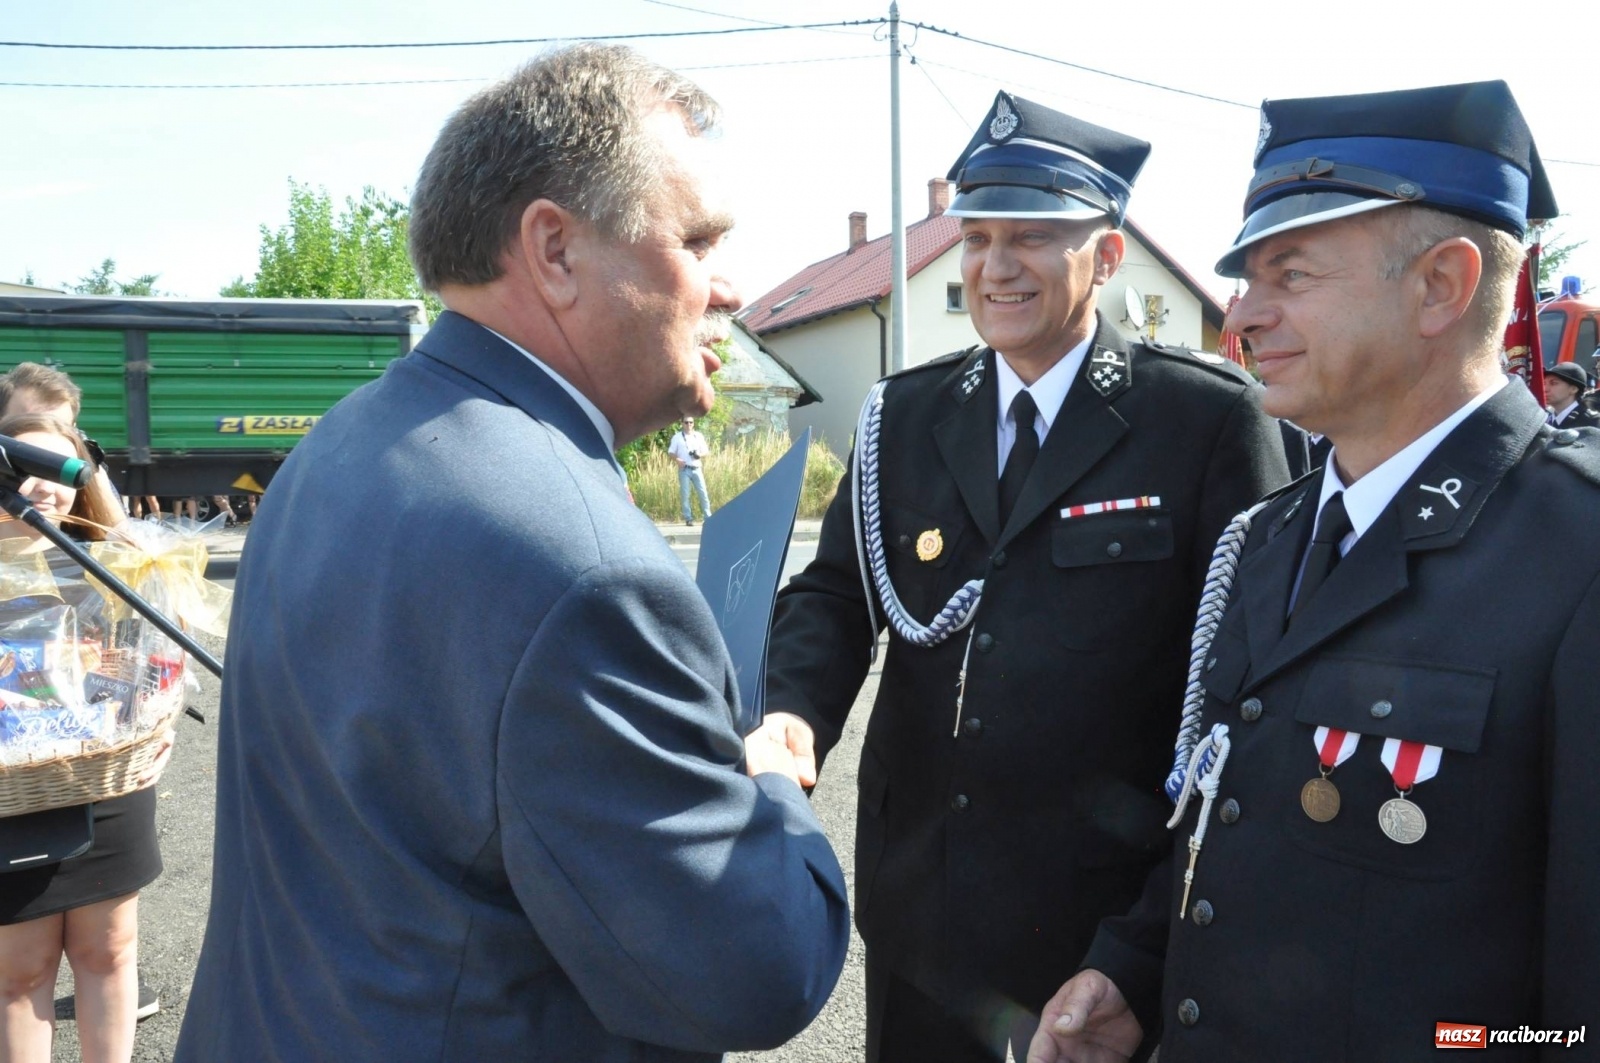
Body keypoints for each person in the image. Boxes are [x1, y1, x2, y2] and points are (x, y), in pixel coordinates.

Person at [174, 44, 848, 1063]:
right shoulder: (580, 570)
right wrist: (766, 787)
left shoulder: (341, 443)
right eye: (698, 238)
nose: (728, 283)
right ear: (555, 249)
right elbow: (753, 972)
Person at [1031, 81, 1598, 1063]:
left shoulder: (1577, 550)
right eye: (1246, 277)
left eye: (1288, 274)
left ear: (1440, 285)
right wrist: (1133, 970)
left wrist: (1447, 1042)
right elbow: (1225, 809)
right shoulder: (1269, 535)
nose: (1242, 315)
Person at [757, 92, 1291, 1063]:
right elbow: (836, 596)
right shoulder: (905, 417)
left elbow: (1244, 694)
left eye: (1033, 239)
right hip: (921, 906)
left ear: (1108, 254)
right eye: (978, 237)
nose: (995, 267)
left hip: (1096, 922)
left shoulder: (1207, 424)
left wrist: (1147, 939)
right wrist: (795, 710)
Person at [0, 412, 169, 1063]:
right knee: (21, 971)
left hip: (107, 780)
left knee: (110, 951)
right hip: (14, 795)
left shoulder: (110, 555)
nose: (46, 487)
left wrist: (153, 721)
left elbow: (151, 668)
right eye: (27, 467)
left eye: (61, 470)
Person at [668, 414, 713, 524]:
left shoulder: (698, 436)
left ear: (694, 424)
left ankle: (708, 517)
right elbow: (671, 452)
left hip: (697, 468)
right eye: (686, 422)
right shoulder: (677, 437)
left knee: (703, 493)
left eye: (691, 422)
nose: (689, 424)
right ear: (682, 424)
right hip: (684, 469)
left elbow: (706, 451)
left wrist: (699, 455)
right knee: (685, 494)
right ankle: (688, 518)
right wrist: (677, 459)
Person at [1545, 360, 1597, 427]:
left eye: (1554, 383)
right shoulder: (1544, 418)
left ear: (1573, 389)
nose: (1545, 389)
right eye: (1544, 383)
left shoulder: (1592, 422)